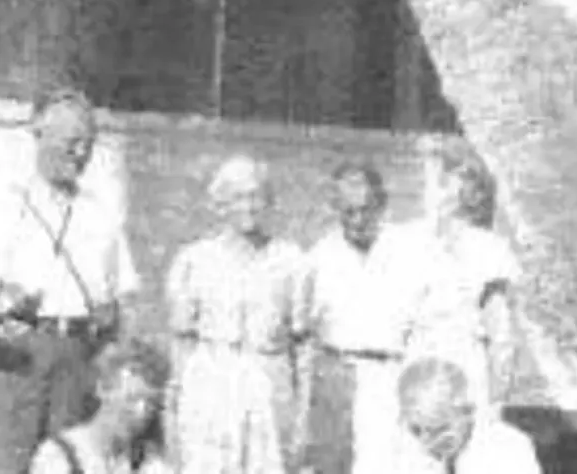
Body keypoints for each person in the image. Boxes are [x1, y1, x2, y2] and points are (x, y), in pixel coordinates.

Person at [0, 88, 141, 474]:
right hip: (11, 353)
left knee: (68, 464)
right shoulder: (0, 202)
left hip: (76, 357)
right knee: (0, 465)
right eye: (72, 142)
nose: (81, 153)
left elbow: (123, 304)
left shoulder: (101, 215)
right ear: (40, 136)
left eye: (88, 144)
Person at [166, 155, 312, 474]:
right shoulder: (195, 260)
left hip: (269, 383)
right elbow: (181, 341)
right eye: (238, 197)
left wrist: (302, 417)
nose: (248, 206)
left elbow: (302, 347)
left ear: (269, 201)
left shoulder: (291, 261)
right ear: (221, 205)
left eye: (256, 196)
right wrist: (174, 407)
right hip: (211, 382)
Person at [303, 161, 422, 474]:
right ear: (335, 208)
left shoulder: (408, 250)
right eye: (347, 211)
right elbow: (302, 331)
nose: (357, 220)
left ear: (381, 205)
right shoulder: (318, 257)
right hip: (336, 377)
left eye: (365, 210)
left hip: (390, 375)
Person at [402, 141, 520, 412]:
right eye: (430, 183)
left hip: (463, 365)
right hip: (416, 365)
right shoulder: (411, 242)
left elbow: (500, 335)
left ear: (474, 194)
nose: (433, 191)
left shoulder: (489, 249)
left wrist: (496, 401)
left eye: (444, 182)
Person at [28, 339, 175, 474]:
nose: (141, 413)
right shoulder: (59, 456)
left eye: (150, 403)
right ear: (103, 389)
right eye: (131, 399)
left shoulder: (150, 464)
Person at [393, 357, 542, 474]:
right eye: (416, 430)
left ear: (467, 412)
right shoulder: (408, 449)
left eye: (438, 429)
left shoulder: (508, 449)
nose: (425, 442)